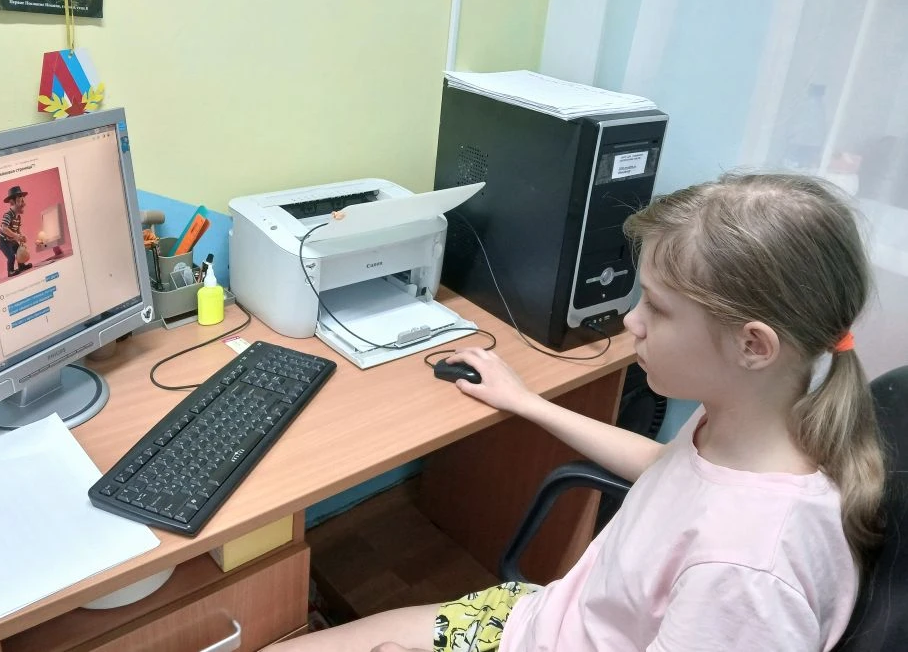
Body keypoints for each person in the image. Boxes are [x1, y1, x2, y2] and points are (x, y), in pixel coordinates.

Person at [264, 172, 886, 652]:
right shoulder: (750, 426)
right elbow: (669, 471)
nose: (631, 321)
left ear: (753, 345)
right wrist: (526, 402)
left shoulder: (747, 576)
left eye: (658, 308)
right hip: (541, 620)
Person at [0, 185, 32, 277]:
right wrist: (16, 236)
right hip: (4, 241)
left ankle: (21, 266)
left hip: (12, 240)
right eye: (21, 201)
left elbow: (17, 230)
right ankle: (10, 271)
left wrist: (21, 237)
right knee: (11, 256)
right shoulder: (8, 215)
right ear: (12, 202)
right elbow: (4, 228)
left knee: (18, 251)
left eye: (23, 201)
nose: (24, 204)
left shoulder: (18, 217)